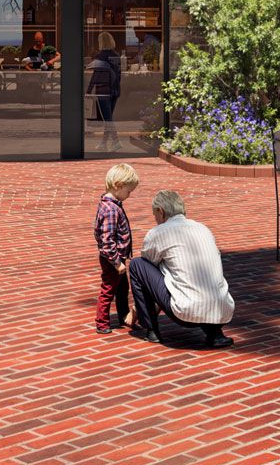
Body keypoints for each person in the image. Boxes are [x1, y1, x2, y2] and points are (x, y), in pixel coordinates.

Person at [128, 188, 235, 347]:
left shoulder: (158, 232)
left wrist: (137, 309)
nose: (155, 219)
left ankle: (151, 330)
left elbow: (149, 265)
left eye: (154, 215)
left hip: (185, 312)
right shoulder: (203, 228)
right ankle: (215, 334)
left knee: (137, 265)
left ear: (161, 211)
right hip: (222, 310)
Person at [94, 163, 138, 335]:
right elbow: (107, 239)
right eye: (129, 191)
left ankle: (123, 315)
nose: (129, 195)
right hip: (113, 259)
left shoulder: (110, 204)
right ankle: (102, 322)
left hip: (116, 258)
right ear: (119, 185)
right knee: (108, 289)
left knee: (122, 288)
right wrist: (116, 262)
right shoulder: (111, 209)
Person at [88, 31, 124, 152]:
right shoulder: (117, 55)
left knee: (107, 119)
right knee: (109, 118)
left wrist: (89, 89)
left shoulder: (100, 56)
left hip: (103, 90)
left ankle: (116, 141)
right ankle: (103, 143)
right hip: (115, 90)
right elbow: (119, 75)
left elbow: (96, 74)